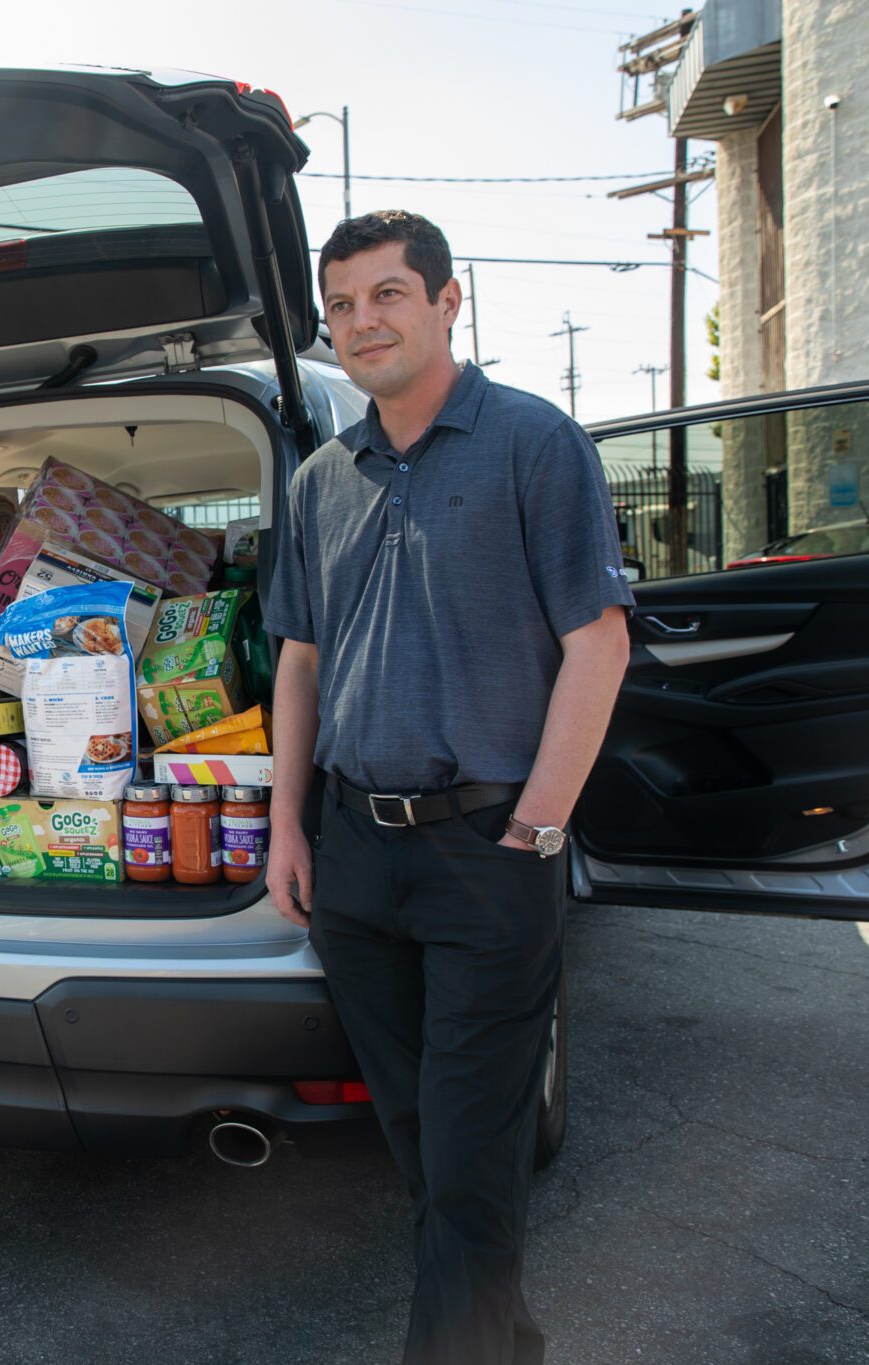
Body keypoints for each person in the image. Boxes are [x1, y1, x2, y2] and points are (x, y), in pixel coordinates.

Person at [264, 212, 634, 1364]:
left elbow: (598, 643)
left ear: (444, 301)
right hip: (353, 859)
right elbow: (299, 661)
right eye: (340, 306)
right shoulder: (321, 478)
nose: (362, 321)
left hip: (486, 847)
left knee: (472, 1151)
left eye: (386, 295)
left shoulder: (533, 442)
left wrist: (535, 829)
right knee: (424, 1137)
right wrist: (286, 824)